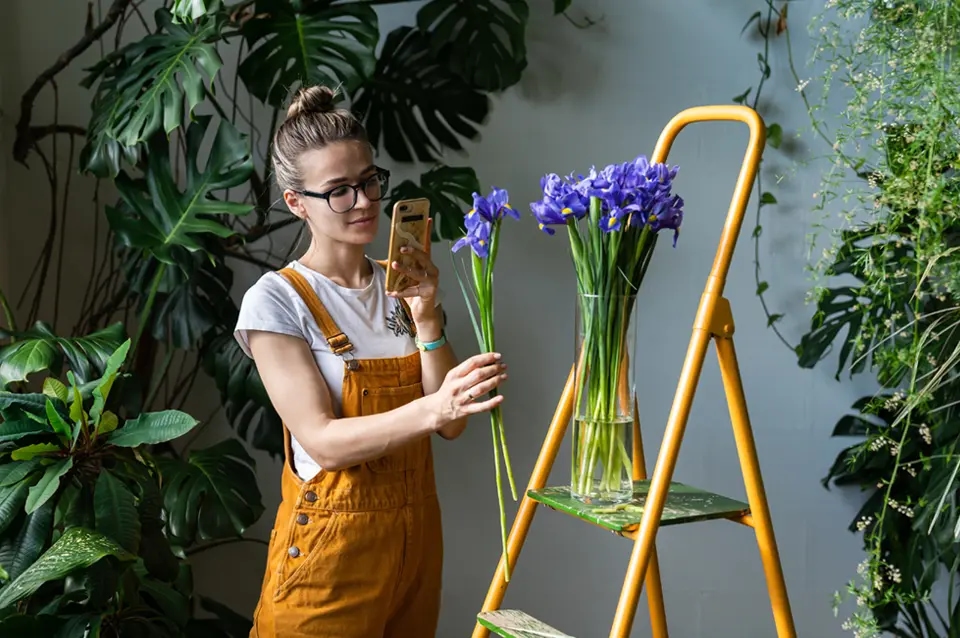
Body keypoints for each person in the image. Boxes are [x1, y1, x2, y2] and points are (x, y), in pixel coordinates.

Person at [233, 84, 509, 638]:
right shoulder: (277, 300)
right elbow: (323, 441)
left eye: (368, 181)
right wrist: (435, 406)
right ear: (296, 202)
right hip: (328, 555)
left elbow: (451, 426)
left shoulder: (400, 287)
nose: (362, 202)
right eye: (338, 191)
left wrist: (427, 318)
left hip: (415, 544)